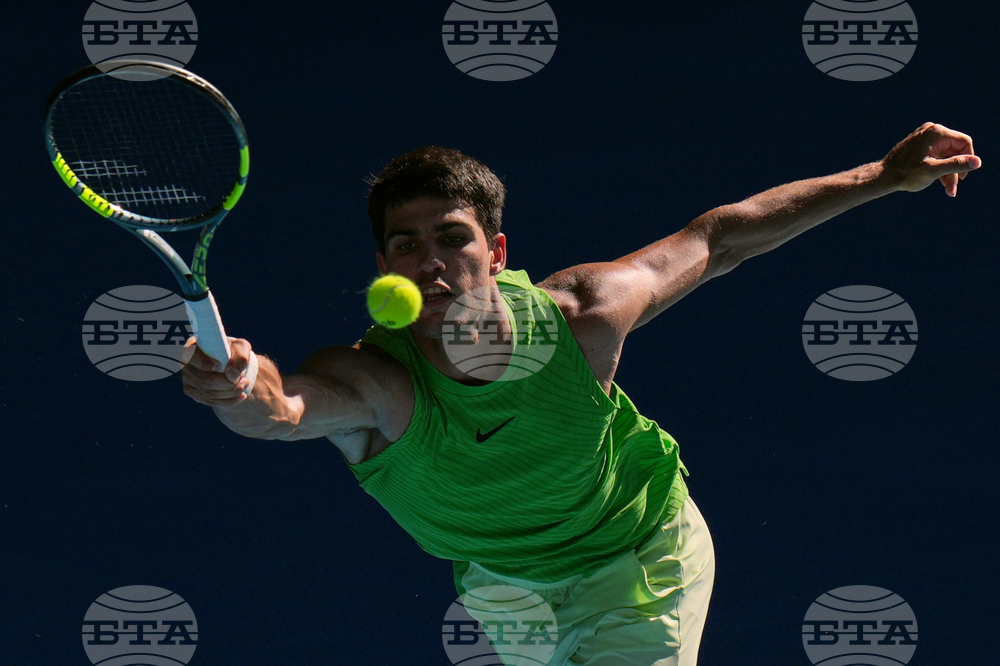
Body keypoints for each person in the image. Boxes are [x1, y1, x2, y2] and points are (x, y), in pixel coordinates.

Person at [181, 122, 979, 665]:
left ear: (496, 252)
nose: (431, 262)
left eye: (452, 238)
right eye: (406, 245)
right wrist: (240, 382)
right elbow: (285, 410)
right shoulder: (377, 383)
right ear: (385, 268)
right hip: (505, 591)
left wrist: (883, 176)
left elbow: (721, 238)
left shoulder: (582, 317)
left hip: (639, 555)